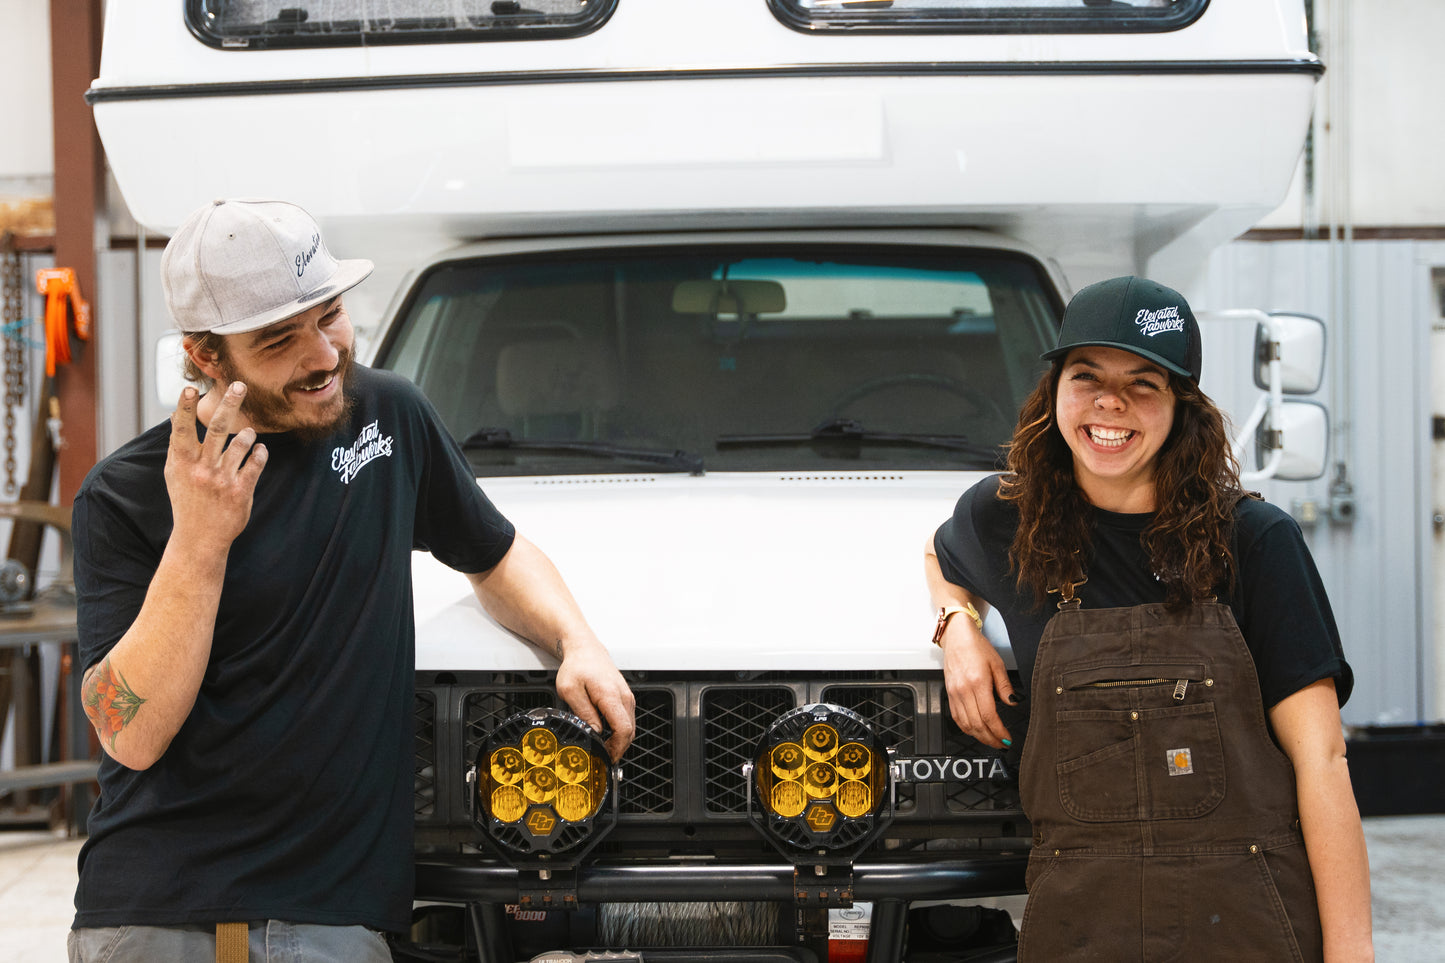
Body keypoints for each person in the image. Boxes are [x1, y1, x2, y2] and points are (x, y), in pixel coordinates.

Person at [68, 198, 637, 962]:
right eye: (279, 338)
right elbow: (128, 733)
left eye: (329, 315)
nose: (323, 354)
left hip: (329, 916)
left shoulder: (387, 415)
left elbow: (493, 554)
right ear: (207, 355)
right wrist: (201, 540)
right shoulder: (125, 494)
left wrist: (577, 640)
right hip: (159, 915)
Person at [925, 276, 1373, 962]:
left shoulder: (1252, 540)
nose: (1111, 403)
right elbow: (938, 550)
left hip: (1246, 923)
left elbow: (1323, 760)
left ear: (1179, 406)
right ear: (1053, 392)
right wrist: (957, 623)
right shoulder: (1007, 519)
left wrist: (1352, 955)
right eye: (1087, 376)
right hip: (1081, 926)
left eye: (1143, 382)